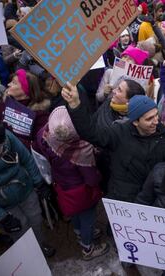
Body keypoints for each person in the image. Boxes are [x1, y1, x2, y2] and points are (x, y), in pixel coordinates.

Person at [62, 83, 165, 203]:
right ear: (135, 122)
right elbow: (91, 133)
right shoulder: (119, 132)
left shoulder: (164, 138)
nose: (156, 122)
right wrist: (75, 106)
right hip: (121, 199)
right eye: (149, 119)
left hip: (148, 200)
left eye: (156, 115)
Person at [35, 106, 109, 260]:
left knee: (75, 213)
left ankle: (78, 232)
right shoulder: (81, 150)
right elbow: (91, 179)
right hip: (82, 192)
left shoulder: (44, 135)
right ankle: (87, 248)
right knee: (87, 219)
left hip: (62, 185)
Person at [0, 115, 54, 257]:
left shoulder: (6, 137)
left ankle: (41, 244)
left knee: (36, 218)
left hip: (25, 189)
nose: (1, 149)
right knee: (21, 227)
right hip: (3, 204)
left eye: (1, 145)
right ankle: (30, 255)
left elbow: (26, 158)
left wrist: (39, 182)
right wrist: (2, 217)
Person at [0, 69, 50, 149]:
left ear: (25, 89)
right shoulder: (6, 101)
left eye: (14, 83)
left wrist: (13, 141)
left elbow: (39, 144)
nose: (8, 84)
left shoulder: (40, 114)